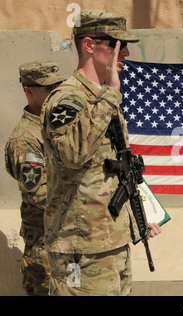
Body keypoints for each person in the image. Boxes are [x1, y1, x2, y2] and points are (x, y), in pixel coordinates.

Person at [40, 9, 162, 296]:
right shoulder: (67, 99)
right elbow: (72, 155)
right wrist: (109, 95)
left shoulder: (103, 97)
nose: (126, 53)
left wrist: (139, 216)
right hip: (79, 250)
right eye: (116, 44)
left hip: (111, 243)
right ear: (89, 45)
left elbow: (113, 170)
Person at [4, 60, 64, 295]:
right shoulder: (26, 139)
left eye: (57, 87)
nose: (55, 93)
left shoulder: (56, 125)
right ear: (28, 91)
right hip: (45, 246)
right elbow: (37, 193)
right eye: (48, 89)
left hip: (66, 239)